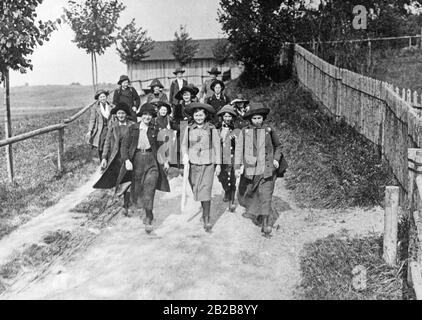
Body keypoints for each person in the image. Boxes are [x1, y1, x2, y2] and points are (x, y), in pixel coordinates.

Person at [118, 103, 171, 234]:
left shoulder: (155, 129)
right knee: (138, 188)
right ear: (141, 116)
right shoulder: (133, 129)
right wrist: (126, 160)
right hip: (137, 160)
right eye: (145, 114)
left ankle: (148, 216)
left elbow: (161, 145)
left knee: (150, 186)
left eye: (150, 115)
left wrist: (165, 161)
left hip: (152, 160)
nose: (147, 117)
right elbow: (124, 146)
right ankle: (146, 209)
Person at [235, 102, 282, 237]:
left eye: (259, 118)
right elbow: (239, 150)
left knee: (266, 194)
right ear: (250, 119)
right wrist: (237, 167)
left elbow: (278, 146)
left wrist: (276, 159)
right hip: (252, 169)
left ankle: (266, 224)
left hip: (267, 169)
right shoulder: (245, 132)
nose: (257, 121)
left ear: (263, 118)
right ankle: (259, 214)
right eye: (254, 118)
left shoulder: (269, 131)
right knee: (251, 193)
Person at [181, 102, 220, 232]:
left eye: (201, 115)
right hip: (193, 164)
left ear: (205, 116)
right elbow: (184, 145)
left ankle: (207, 218)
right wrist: (185, 155)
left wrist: (218, 164)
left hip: (208, 163)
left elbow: (217, 147)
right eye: (196, 115)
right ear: (193, 116)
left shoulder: (211, 128)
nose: (198, 117)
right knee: (197, 189)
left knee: (206, 190)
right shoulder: (188, 128)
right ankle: (204, 210)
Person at [93, 102, 135, 215]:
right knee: (118, 179)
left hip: (128, 157)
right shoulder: (113, 126)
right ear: (116, 115)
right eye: (119, 113)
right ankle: (121, 200)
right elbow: (107, 142)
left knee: (128, 179)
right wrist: (104, 158)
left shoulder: (132, 125)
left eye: (123, 113)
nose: (121, 115)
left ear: (126, 114)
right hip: (116, 157)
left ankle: (126, 204)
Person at [215, 104, 240, 212]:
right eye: (225, 116)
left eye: (229, 116)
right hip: (221, 157)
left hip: (232, 156)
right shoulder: (217, 128)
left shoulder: (236, 129)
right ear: (222, 117)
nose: (227, 119)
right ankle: (226, 190)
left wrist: (235, 139)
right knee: (222, 177)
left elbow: (240, 145)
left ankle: (232, 200)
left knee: (232, 178)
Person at [86, 89, 114, 160]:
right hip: (101, 128)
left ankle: (109, 160)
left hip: (110, 127)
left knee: (111, 144)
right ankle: (102, 160)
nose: (103, 98)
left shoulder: (111, 106)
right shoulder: (95, 108)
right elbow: (92, 120)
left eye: (104, 96)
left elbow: (115, 117)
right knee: (100, 144)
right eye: (101, 97)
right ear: (98, 99)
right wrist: (90, 130)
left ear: (106, 97)